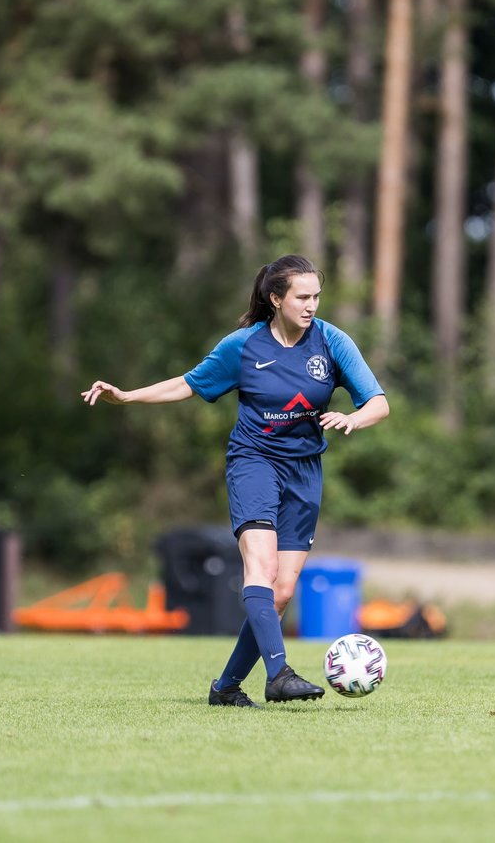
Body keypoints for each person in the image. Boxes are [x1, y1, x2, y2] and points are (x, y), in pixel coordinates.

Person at [82, 255, 389, 706]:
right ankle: (278, 672)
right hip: (254, 462)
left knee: (281, 592)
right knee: (260, 571)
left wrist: (353, 418)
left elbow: (378, 403)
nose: (311, 305)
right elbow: (188, 384)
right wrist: (127, 396)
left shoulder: (331, 342)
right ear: (276, 298)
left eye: (316, 296)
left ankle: (225, 688)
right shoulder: (243, 347)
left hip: (305, 472)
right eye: (302, 297)